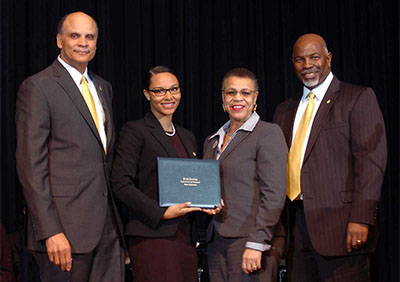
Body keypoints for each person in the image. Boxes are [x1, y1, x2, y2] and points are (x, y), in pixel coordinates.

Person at [15, 12, 125, 282]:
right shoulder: (38, 87)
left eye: (90, 37)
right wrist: (50, 230)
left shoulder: (103, 87)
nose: (83, 43)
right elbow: (31, 165)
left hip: (107, 230)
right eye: (75, 36)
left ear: (97, 43)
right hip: (64, 233)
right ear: (59, 40)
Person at [273, 33, 387, 282]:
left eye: (314, 57)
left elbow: (371, 162)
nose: (307, 65)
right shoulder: (284, 110)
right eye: (299, 60)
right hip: (296, 226)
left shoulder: (357, 98)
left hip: (343, 227)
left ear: (329, 59)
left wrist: (361, 218)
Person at [110, 66, 220, 282]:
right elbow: (120, 183)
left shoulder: (187, 136)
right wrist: (161, 212)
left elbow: (192, 183)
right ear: (146, 94)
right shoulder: (135, 131)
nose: (168, 96)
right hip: (151, 236)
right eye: (160, 91)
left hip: (184, 237)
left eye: (174, 89)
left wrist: (209, 201)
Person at [203, 68, 288, 282]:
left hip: (251, 241)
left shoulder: (268, 133)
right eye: (231, 93)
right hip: (217, 242)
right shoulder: (212, 140)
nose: (237, 98)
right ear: (223, 97)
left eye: (245, 93)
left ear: (255, 97)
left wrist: (257, 243)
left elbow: (274, 194)